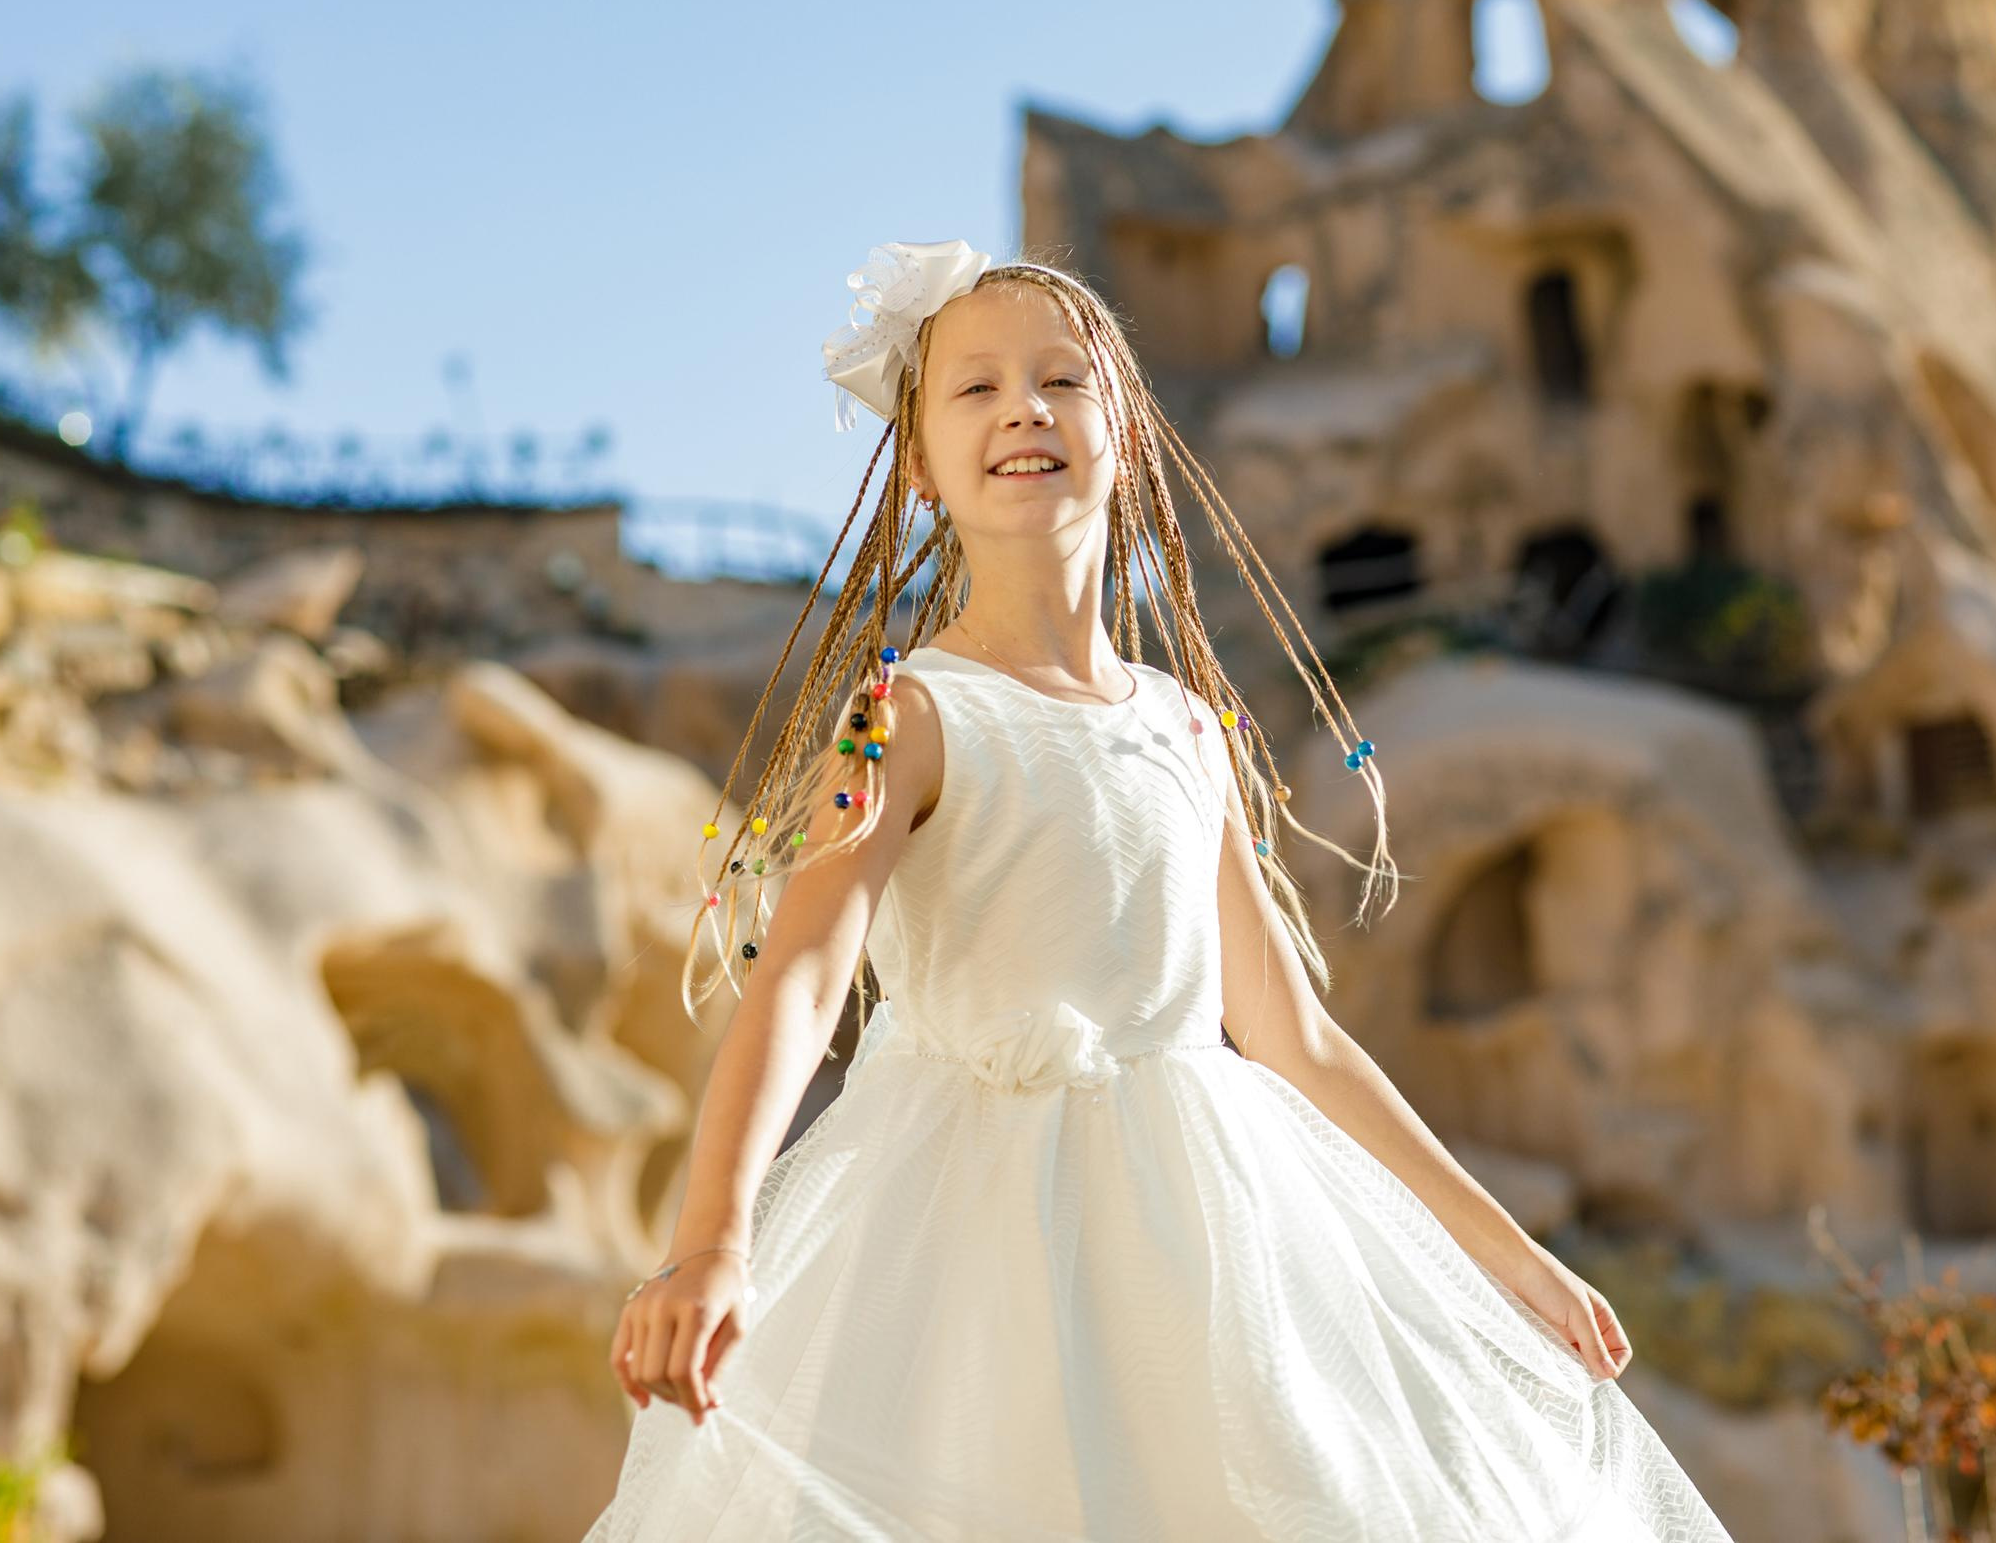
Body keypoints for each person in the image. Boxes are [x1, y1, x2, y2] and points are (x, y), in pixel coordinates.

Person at [580, 240, 1736, 1541]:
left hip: (1203, 1237)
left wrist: (1505, 1255)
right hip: (964, 1234)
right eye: (975, 388)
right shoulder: (903, 719)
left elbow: (1295, 1037)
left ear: (1123, 431)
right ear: (918, 467)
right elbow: (801, 978)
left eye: (1062, 380)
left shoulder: (1186, 728)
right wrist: (713, 1241)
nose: (1024, 408)